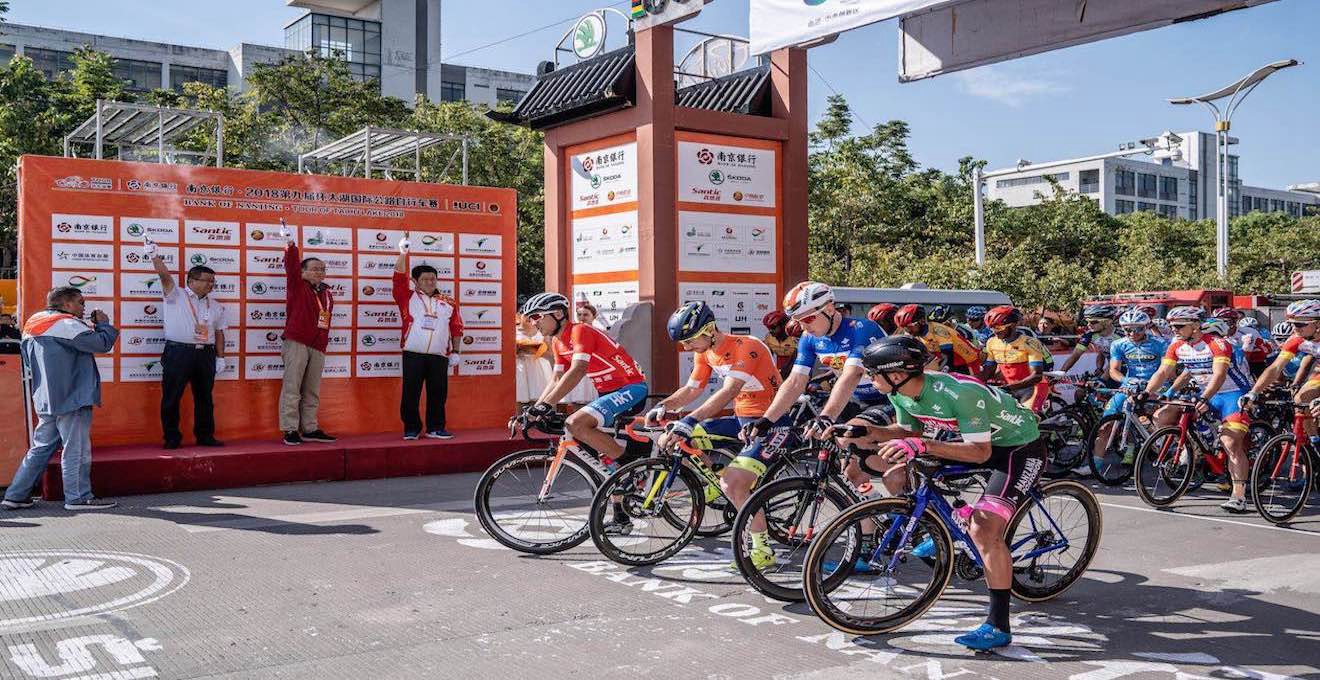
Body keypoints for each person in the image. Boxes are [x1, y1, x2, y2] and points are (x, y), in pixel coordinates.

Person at [840, 336, 1045, 651]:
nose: (869, 378)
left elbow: (978, 452)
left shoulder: (959, 394)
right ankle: (946, 530)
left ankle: (998, 625)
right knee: (904, 470)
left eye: (873, 373)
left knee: (984, 528)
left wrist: (922, 444)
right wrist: (866, 432)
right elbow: (909, 431)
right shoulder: (900, 392)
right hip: (979, 443)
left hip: (1018, 448)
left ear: (897, 374)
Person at [645, 301, 786, 569]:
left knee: (733, 485)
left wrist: (689, 419)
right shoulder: (705, 351)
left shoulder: (747, 347)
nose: (687, 347)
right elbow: (692, 389)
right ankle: (716, 479)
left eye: (690, 341)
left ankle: (763, 550)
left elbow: (729, 391)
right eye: (684, 342)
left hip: (772, 421)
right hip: (742, 419)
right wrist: (664, 406)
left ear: (710, 330)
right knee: (682, 438)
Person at [740, 282, 885, 496]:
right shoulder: (810, 339)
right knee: (852, 472)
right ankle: (876, 511)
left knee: (889, 471)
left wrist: (826, 416)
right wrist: (767, 420)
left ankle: (912, 501)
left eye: (807, 319)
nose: (803, 327)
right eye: (797, 321)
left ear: (829, 308)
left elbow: (852, 375)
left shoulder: (861, 329)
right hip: (856, 401)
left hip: (888, 399)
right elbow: (795, 381)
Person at [2, 287, 119, 511]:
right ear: (66, 304)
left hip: (45, 398)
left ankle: (16, 495)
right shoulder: (68, 324)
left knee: (40, 449)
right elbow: (102, 344)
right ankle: (78, 498)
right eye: (80, 302)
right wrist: (103, 324)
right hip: (72, 397)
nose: (83, 307)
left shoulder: (32, 323)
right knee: (76, 449)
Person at [522, 293, 648, 489]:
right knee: (598, 456)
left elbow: (578, 369)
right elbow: (556, 379)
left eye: (537, 316)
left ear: (558, 314)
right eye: (530, 318)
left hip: (631, 388)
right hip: (607, 394)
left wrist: (546, 405)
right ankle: (619, 500)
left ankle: (633, 467)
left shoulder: (580, 330)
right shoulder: (557, 342)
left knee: (576, 423)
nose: (533, 322)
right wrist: (535, 409)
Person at [1138, 307, 1254, 513]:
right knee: (1163, 415)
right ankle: (1194, 450)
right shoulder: (1177, 345)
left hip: (1232, 393)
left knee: (1230, 443)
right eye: (1172, 326)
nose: (1174, 329)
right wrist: (1147, 392)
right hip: (1206, 392)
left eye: (1179, 326)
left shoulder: (1217, 344)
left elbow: (1219, 375)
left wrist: (1204, 398)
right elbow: (1163, 371)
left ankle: (1238, 496)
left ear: (1196, 326)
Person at [146, 240, 226, 449]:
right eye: (207, 280)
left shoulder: (215, 305)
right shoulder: (175, 295)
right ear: (191, 280)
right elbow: (164, 276)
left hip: (205, 354)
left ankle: (205, 436)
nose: (211, 284)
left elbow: (219, 333)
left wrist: (220, 357)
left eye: (213, 281)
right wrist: (154, 256)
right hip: (178, 352)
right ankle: (172, 438)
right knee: (172, 397)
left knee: (205, 398)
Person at [392, 235, 463, 440]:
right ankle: (412, 428)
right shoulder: (407, 297)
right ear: (415, 281)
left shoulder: (448, 302)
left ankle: (436, 427)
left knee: (438, 394)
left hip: (439, 355)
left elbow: (456, 328)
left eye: (433, 279)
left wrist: (456, 351)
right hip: (413, 352)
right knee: (410, 393)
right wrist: (403, 253)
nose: (430, 282)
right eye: (425, 279)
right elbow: (398, 277)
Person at [277, 222, 336, 446]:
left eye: (322, 269)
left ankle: (310, 428)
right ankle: (290, 429)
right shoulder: (297, 285)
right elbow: (291, 265)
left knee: (312, 390)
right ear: (302, 272)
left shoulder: (327, 293)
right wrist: (290, 244)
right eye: (315, 268)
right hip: (297, 342)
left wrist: (322, 343)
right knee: (292, 387)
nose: (320, 272)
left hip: (318, 345)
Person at [1241, 300, 1320, 454]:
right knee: (1300, 400)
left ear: (1317, 323)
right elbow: (1275, 368)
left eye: (1299, 324)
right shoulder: (1296, 339)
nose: (1294, 328)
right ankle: (1315, 443)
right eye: (1291, 324)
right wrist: (1254, 392)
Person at [1091, 309, 1167, 467]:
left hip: (1155, 386)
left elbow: (1166, 370)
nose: (1132, 333)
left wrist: (1154, 387)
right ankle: (1095, 467)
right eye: (1127, 329)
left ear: (1146, 327)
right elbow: (1113, 370)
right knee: (1105, 426)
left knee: (1156, 423)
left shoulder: (1160, 343)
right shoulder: (1118, 344)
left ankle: (1164, 452)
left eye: (1138, 329)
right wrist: (1126, 381)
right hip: (1130, 386)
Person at [981, 305, 1052, 413]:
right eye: (992, 328)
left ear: (1013, 325)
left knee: (1027, 419)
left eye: (998, 328)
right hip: (1009, 388)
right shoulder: (992, 342)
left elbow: (1037, 376)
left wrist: (1008, 387)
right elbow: (988, 371)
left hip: (1032, 387)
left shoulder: (1029, 343)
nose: (995, 332)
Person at [893, 304, 981, 375]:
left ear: (922, 321)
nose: (907, 331)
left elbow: (947, 357)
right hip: (952, 360)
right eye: (904, 328)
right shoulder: (917, 333)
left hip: (969, 361)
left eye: (909, 327)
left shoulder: (937, 331)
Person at [1061, 304, 1121, 375]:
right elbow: (1075, 355)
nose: (1088, 325)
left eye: (1093, 322)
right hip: (1112, 370)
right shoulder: (1090, 335)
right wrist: (1061, 373)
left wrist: (1103, 379)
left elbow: (1117, 360)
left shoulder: (1121, 335)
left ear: (1107, 322)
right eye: (1087, 322)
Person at [515, 313, 553, 407]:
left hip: (538, 370)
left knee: (537, 400)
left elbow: (551, 355)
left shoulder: (542, 332)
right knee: (519, 398)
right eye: (526, 315)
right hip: (520, 370)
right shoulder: (513, 331)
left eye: (533, 315)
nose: (529, 318)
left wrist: (535, 350)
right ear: (520, 316)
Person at [761, 310, 797, 379]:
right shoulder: (769, 337)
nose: (770, 331)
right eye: (768, 328)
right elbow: (766, 357)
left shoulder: (794, 337)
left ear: (783, 326)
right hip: (780, 368)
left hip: (796, 366)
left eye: (773, 328)